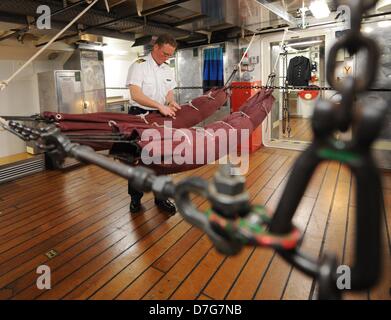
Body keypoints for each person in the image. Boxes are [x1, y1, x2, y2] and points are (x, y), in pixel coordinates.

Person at [125, 34, 180, 214]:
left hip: (160, 116)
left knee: (162, 160)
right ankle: (135, 199)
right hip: (139, 116)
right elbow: (136, 94)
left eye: (170, 55)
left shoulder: (167, 69)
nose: (167, 58)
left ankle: (161, 198)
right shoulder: (139, 66)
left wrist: (170, 102)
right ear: (155, 47)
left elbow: (169, 92)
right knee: (138, 161)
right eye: (165, 54)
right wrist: (159, 106)